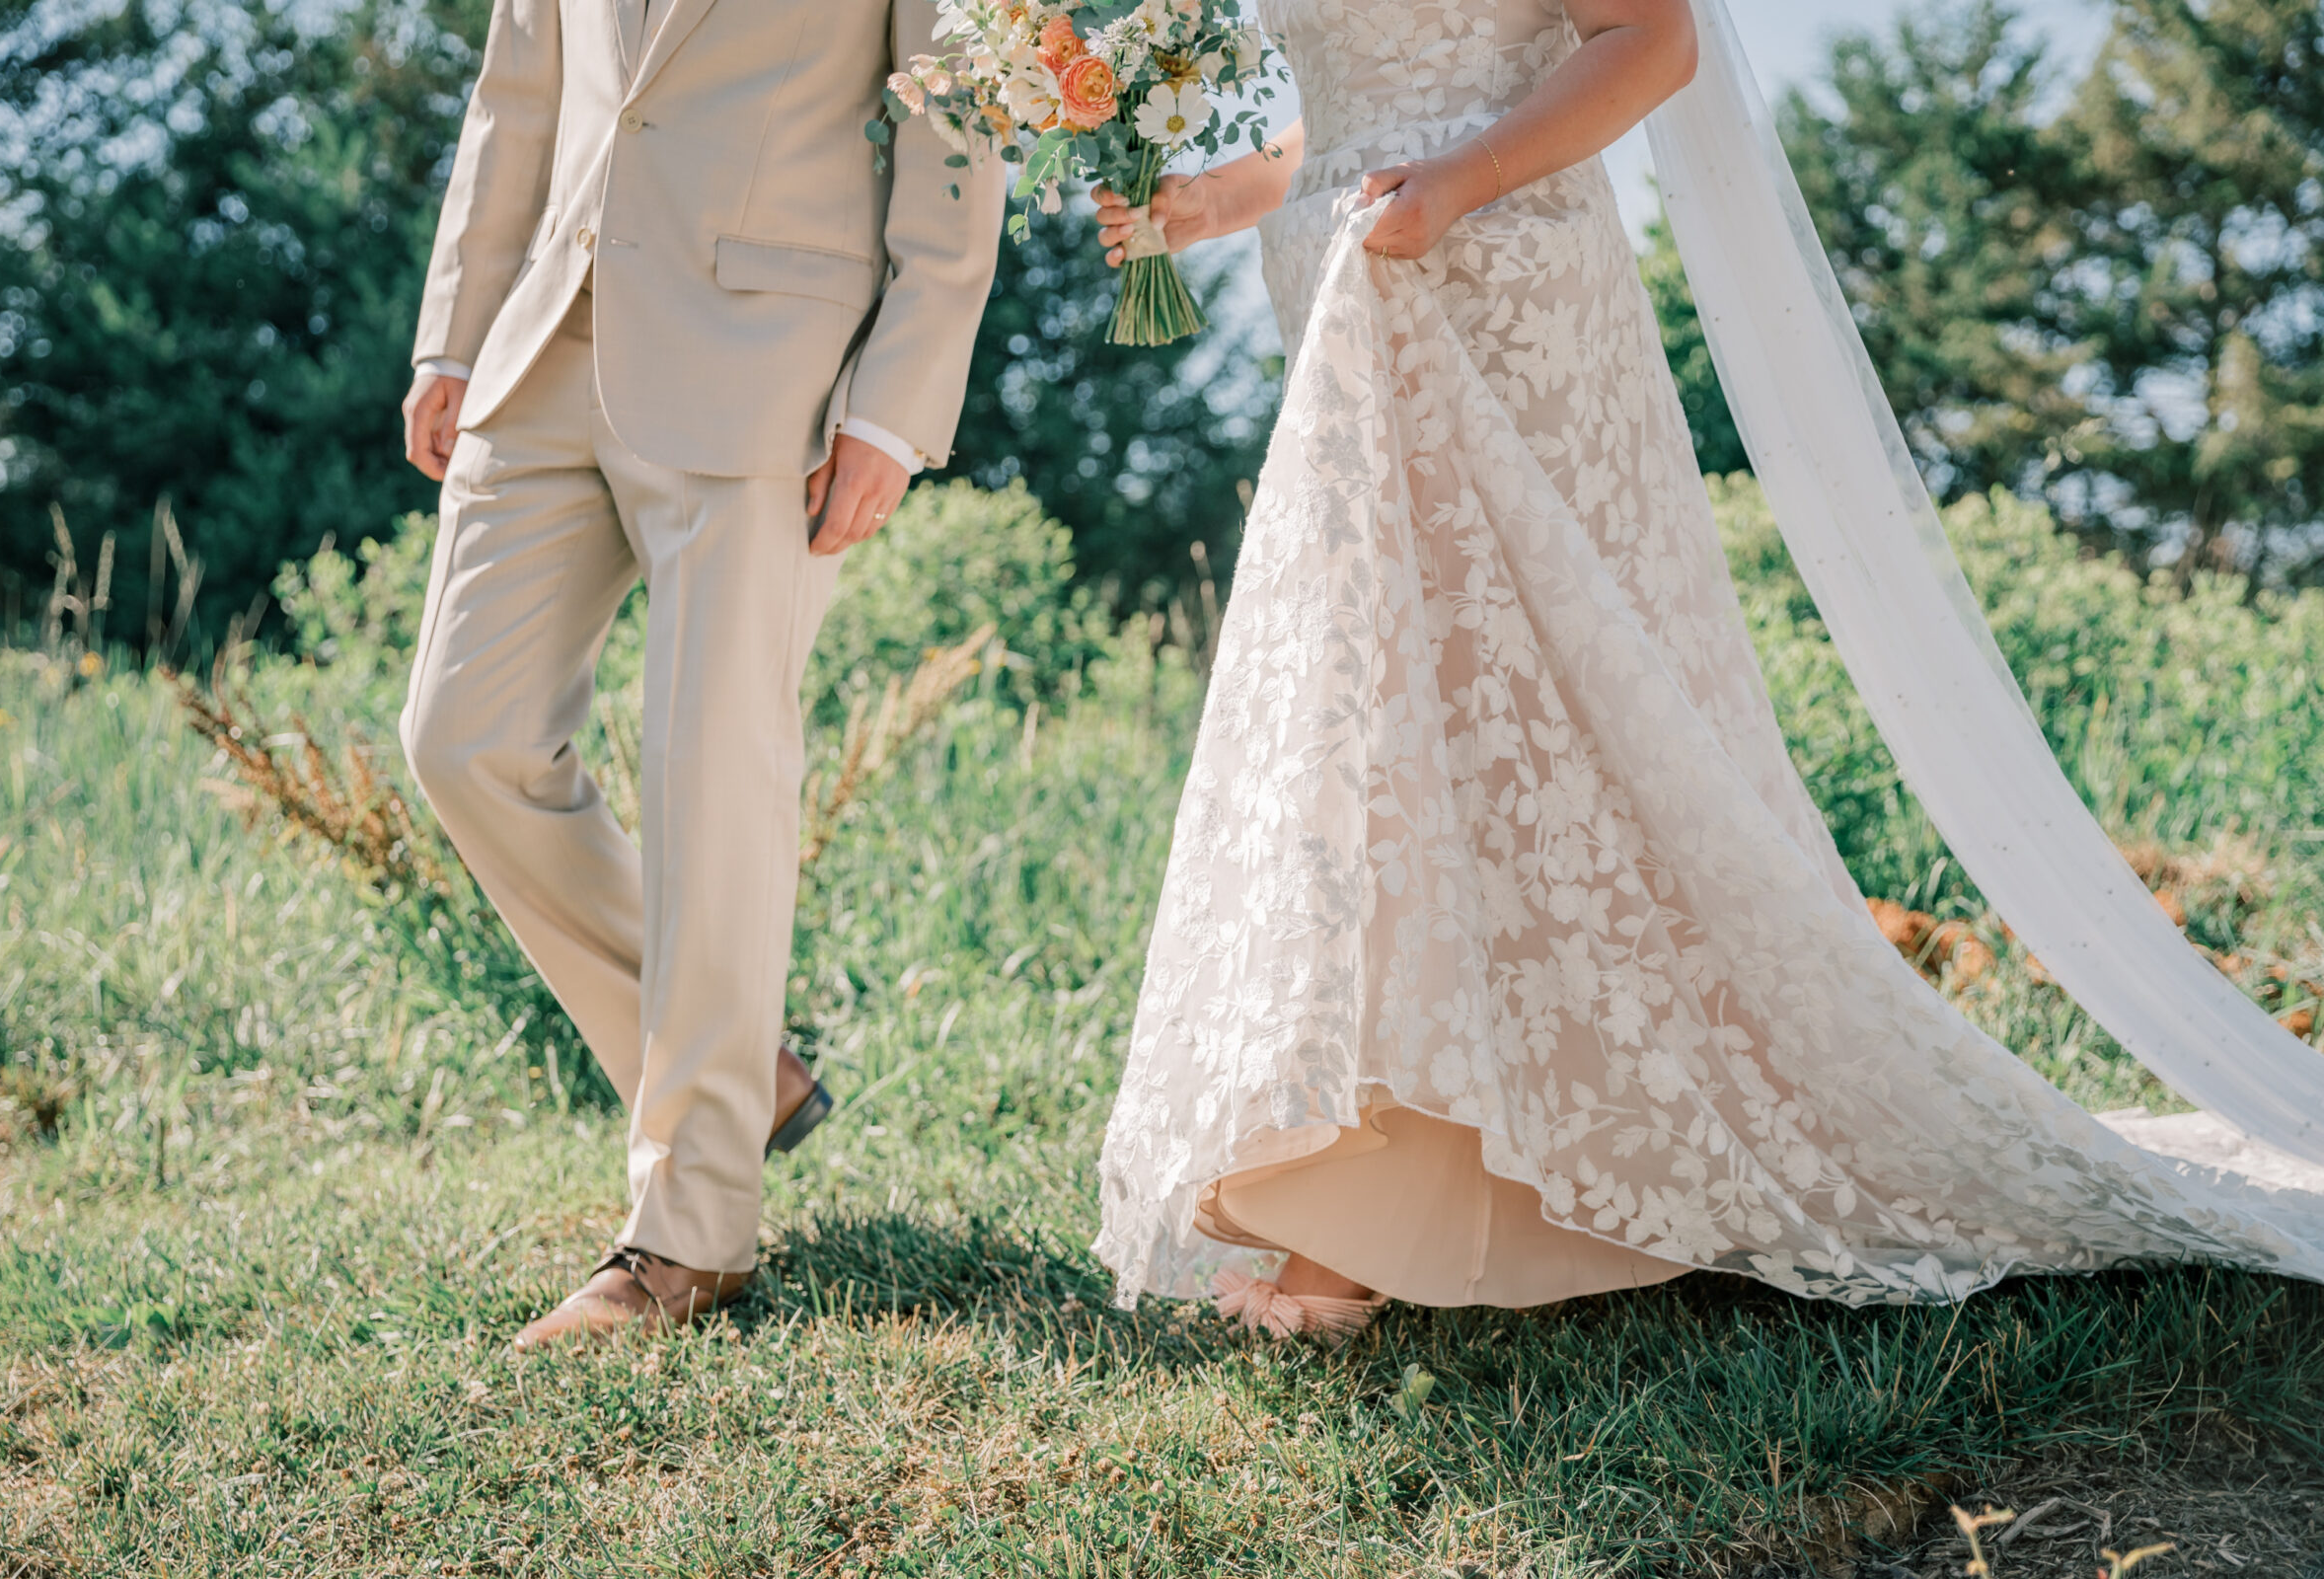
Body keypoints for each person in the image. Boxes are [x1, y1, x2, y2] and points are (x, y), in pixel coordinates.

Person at [1089, 0, 2324, 1337]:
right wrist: (1223, 196)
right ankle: (1374, 1181)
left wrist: (1459, 185)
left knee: (1519, 719)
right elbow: (1370, 87)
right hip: (1352, 268)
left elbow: (1653, 38)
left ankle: (1399, 1203)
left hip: (1496, 271)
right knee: (1379, 723)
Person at [396, 0, 1004, 1348]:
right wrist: (455, 331)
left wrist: (897, 405)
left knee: (711, 779)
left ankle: (688, 1236)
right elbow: (525, 91)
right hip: (544, 338)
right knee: (461, 735)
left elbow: (959, 116)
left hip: (766, 357)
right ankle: (744, 1079)